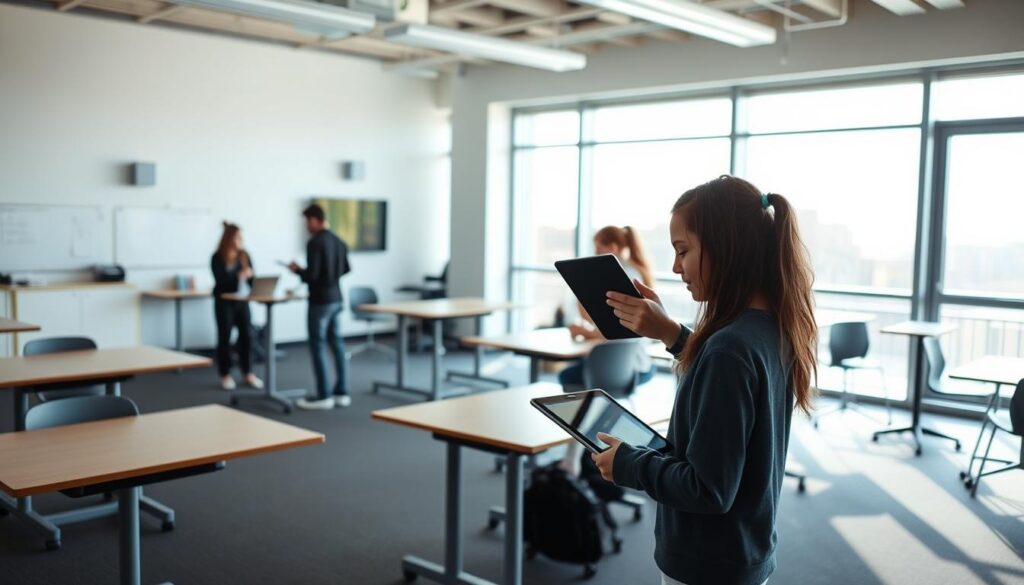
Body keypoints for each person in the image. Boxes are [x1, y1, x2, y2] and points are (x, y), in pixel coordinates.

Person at [593, 175, 817, 585]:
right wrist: (670, 334)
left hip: (705, 565)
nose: (676, 267)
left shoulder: (728, 349)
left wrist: (628, 463)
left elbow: (707, 490)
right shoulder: (770, 329)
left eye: (683, 251)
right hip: (740, 551)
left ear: (725, 248)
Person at [561, 225, 658, 390]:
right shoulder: (632, 272)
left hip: (626, 367)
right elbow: (606, 323)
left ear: (612, 247)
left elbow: (618, 332)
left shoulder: (622, 277)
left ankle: (586, 414)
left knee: (568, 375)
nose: (595, 253)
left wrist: (585, 332)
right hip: (637, 362)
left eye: (598, 248)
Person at [289, 203, 352, 411]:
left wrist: (298, 270)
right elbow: (346, 268)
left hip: (320, 301)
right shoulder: (338, 241)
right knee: (337, 344)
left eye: (307, 222)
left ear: (314, 220)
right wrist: (331, 277)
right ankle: (341, 392)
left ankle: (324, 394)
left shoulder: (315, 242)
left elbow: (312, 275)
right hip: (336, 298)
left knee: (317, 346)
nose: (306, 227)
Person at [211, 222, 263, 391]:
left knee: (247, 336)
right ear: (229, 238)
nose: (240, 240)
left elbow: (252, 281)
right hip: (224, 302)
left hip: (242, 301)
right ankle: (225, 374)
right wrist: (238, 275)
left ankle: (247, 372)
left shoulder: (245, 256)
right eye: (237, 237)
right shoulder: (217, 257)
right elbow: (221, 282)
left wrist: (250, 276)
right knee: (225, 337)